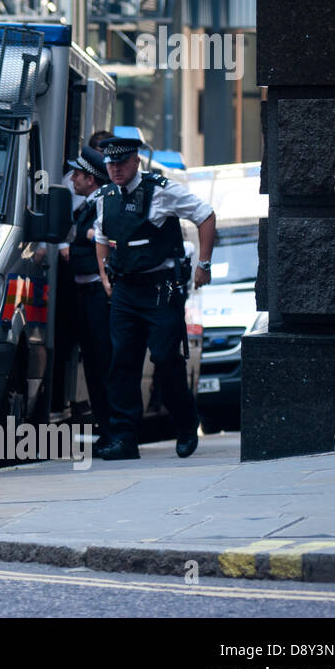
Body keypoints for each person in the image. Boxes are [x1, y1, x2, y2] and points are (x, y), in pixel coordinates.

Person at [93, 135, 216, 460]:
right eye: (110, 164)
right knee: (122, 363)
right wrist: (105, 276)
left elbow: (205, 215)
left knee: (165, 361)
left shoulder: (160, 190)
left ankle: (187, 423)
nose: (115, 169)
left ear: (136, 162)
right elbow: (102, 237)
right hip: (125, 291)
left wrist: (203, 264)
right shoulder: (105, 196)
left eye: (121, 163)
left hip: (160, 290)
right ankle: (124, 439)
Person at [59, 146, 112, 446]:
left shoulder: (102, 203)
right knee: (92, 363)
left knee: (102, 362)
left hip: (96, 292)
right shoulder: (87, 205)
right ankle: (105, 429)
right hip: (84, 291)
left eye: (77, 174)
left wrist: (89, 235)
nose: (73, 179)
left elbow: (104, 237)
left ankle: (113, 430)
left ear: (91, 179)